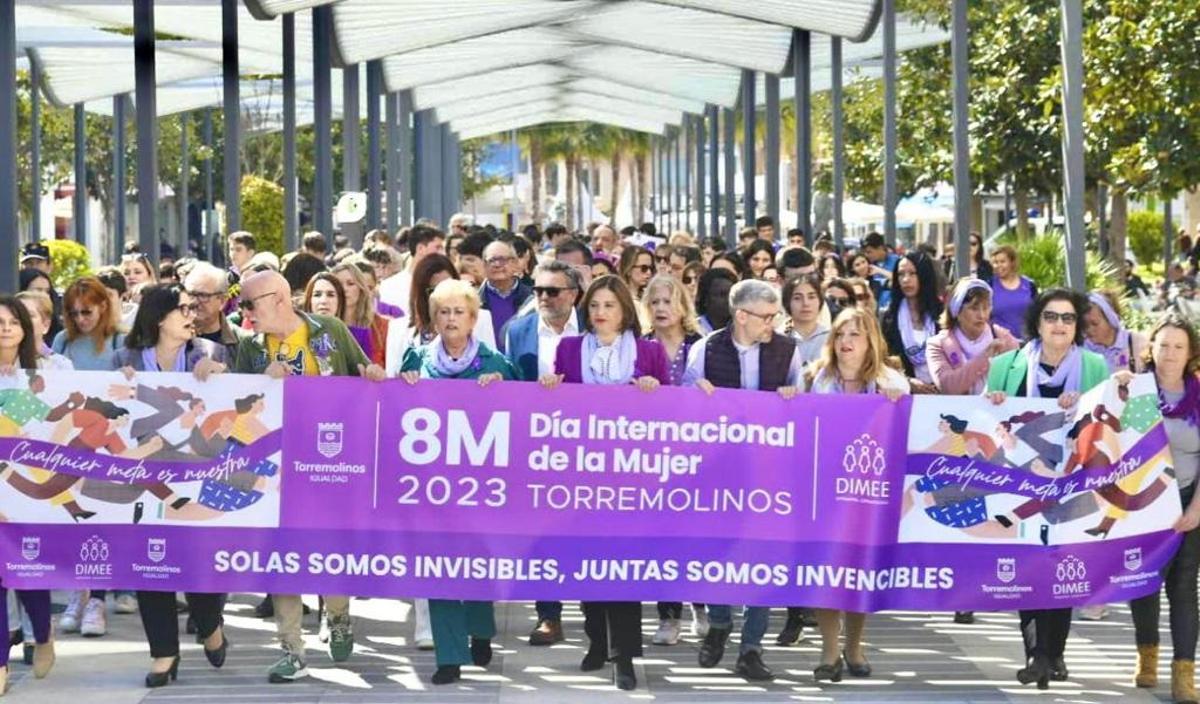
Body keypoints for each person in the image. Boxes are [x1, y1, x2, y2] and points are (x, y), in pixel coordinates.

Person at [231, 270, 385, 683]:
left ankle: (337, 616)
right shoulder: (251, 347)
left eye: (249, 304)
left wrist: (371, 373)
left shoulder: (328, 329)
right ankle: (291, 649)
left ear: (278, 299)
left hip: (330, 467)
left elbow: (363, 372)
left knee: (329, 549)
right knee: (282, 558)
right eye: (241, 305)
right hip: (277, 471)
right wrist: (262, 385)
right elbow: (238, 411)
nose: (243, 313)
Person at [540, 276, 670, 691]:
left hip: (633, 480)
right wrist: (549, 389)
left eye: (610, 305)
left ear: (625, 310)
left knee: (624, 567)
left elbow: (673, 413)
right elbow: (557, 410)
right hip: (581, 478)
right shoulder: (570, 349)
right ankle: (597, 641)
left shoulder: (649, 351)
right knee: (588, 566)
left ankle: (624, 657)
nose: (601, 312)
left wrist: (655, 391)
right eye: (595, 304)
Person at [682, 279, 807, 682]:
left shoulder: (788, 351)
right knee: (716, 553)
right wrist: (695, 392)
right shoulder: (706, 348)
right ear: (741, 315)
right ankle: (719, 623)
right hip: (719, 472)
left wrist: (793, 399)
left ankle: (751, 647)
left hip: (770, 473)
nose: (773, 324)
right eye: (766, 317)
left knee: (763, 559)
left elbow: (804, 411)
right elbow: (683, 410)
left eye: (776, 316)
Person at [985, 288, 1109, 690]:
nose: (1059, 325)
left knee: (1064, 565)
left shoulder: (1093, 366)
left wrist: (1089, 405)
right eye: (1051, 317)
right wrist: (996, 403)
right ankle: (1036, 654)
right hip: (1021, 482)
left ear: (1077, 326)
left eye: (1068, 318)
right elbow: (985, 419)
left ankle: (1054, 653)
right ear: (1037, 323)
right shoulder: (1006, 365)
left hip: (1073, 482)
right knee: (1028, 567)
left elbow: (1107, 422)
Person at [109, 284, 230, 688]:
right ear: (159, 316)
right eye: (183, 308)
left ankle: (211, 624)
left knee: (196, 561)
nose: (192, 315)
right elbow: (110, 416)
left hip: (196, 474)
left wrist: (220, 377)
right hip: (144, 478)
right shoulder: (123, 359)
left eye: (193, 308)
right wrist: (115, 388)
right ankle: (164, 653)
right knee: (148, 564)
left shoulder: (209, 354)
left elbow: (228, 407)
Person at [398, 279, 517, 685]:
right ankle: (449, 655)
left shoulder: (495, 363)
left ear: (472, 319)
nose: (451, 319)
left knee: (477, 561)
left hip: (481, 487)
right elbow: (395, 412)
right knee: (438, 566)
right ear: (434, 319)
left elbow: (523, 413)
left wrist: (503, 390)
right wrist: (401, 386)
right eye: (444, 312)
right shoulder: (416, 359)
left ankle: (481, 630)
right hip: (431, 486)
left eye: (459, 312)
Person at [807, 307, 910, 682]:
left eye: (856, 335)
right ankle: (829, 649)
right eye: (840, 334)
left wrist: (898, 402)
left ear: (871, 342)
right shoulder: (813, 379)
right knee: (826, 568)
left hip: (868, 493)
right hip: (823, 491)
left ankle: (855, 645)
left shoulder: (892, 383)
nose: (847, 342)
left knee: (858, 570)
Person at [502, 261, 582, 646]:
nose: (544, 298)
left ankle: (594, 607)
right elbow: (508, 385)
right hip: (535, 448)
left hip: (587, 445)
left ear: (573, 294)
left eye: (553, 291)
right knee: (542, 533)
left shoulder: (594, 326)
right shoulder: (517, 331)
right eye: (538, 291)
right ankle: (548, 614)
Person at [1128, 314, 1200, 703]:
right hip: (1143, 506)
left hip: (1189, 503)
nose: (1170, 353)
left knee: (1185, 588)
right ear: (1151, 348)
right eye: (1164, 345)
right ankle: (1147, 657)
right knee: (1144, 586)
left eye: (1179, 347)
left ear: (1190, 354)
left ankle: (1184, 674)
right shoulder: (1135, 392)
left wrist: (1197, 510)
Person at [0, 297, 57, 694]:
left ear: (25, 328)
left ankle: (44, 633)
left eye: (11, 321)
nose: (4, 328)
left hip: (32, 485)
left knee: (29, 572)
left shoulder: (51, 372)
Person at [385, 254, 496, 377]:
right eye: (434, 290)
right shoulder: (398, 328)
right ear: (421, 293)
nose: (444, 294)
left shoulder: (481, 319)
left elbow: (492, 368)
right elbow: (392, 380)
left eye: (449, 286)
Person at [927, 278, 1019, 395]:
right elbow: (948, 387)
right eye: (974, 308)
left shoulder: (1006, 340)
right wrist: (985, 357)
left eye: (986, 308)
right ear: (957, 312)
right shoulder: (937, 345)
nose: (982, 315)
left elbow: (1017, 385)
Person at [881, 252, 943, 394]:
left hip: (941, 394)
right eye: (901, 274)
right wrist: (907, 382)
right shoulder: (889, 317)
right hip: (905, 396)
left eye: (912, 273)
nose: (906, 280)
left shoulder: (941, 313)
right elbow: (884, 360)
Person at [52, 277, 125, 371]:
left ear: (103, 306)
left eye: (86, 312)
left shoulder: (120, 340)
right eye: (73, 314)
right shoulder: (62, 340)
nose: (80, 319)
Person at [378, 224, 446, 316]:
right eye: (438, 247)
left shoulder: (445, 285)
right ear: (420, 248)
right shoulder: (390, 286)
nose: (443, 254)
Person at [332, 262, 388, 366]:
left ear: (361, 289)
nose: (344, 289)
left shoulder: (381, 326)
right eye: (338, 284)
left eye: (350, 283)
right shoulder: (323, 325)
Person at [479, 239, 533, 349]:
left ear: (515, 263)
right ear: (484, 265)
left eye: (503, 260)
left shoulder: (532, 299)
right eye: (492, 260)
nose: (497, 265)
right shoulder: (473, 300)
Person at [183, 262, 243, 358]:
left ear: (222, 301)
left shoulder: (242, 342)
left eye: (203, 296)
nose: (194, 302)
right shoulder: (173, 338)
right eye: (190, 294)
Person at [1083, 290, 1148, 374]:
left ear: (1111, 320)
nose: (1089, 330)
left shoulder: (1136, 342)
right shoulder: (1083, 350)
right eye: (1085, 325)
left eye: (1095, 324)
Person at [989, 245, 1038, 340]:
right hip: (1000, 345)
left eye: (1002, 262)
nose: (998, 266)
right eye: (995, 262)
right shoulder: (989, 285)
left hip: (1028, 344)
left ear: (1012, 262)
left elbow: (1038, 313)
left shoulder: (1029, 285)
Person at [15, 292, 73, 371]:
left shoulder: (60, 365)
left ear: (46, 325)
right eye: (17, 315)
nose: (22, 319)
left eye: (30, 315)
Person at [782, 274, 830, 364]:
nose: (806, 303)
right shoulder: (778, 339)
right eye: (797, 298)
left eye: (811, 297)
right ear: (787, 303)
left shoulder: (831, 338)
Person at [860, 232, 899, 310]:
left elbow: (899, 279)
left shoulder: (896, 261)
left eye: (869, 252)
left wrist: (880, 271)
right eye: (864, 252)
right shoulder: (867, 264)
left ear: (880, 248)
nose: (867, 255)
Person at [695, 269, 737, 335]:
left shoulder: (740, 332)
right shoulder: (693, 332)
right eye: (722, 294)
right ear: (705, 298)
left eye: (732, 294)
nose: (729, 299)